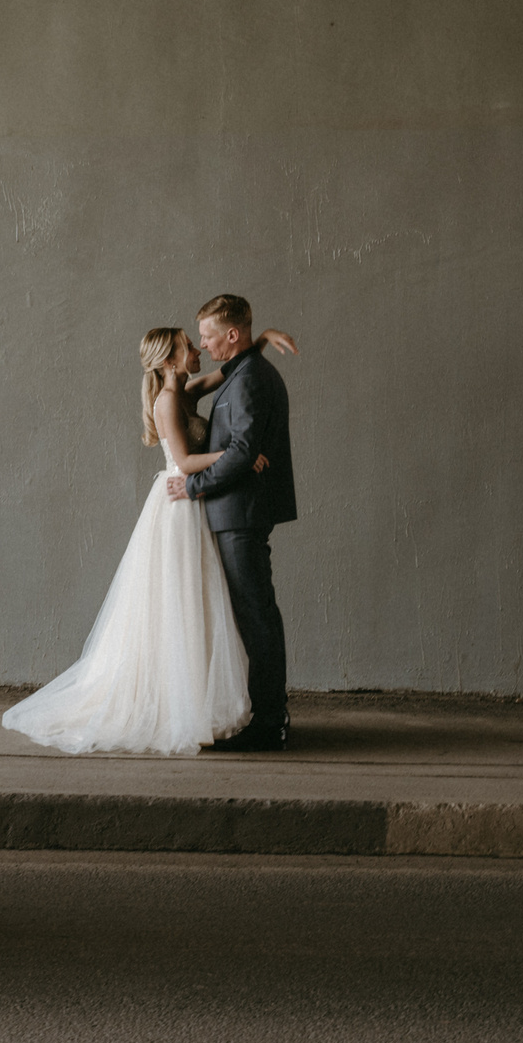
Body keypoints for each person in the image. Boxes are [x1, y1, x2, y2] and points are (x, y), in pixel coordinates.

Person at [2, 321, 297, 756]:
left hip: (193, 503)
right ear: (168, 360)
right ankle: (176, 708)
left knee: (198, 605)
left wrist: (263, 338)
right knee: (177, 605)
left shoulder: (186, 390)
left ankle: (199, 704)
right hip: (178, 503)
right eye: (187, 346)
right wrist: (238, 456)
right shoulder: (166, 400)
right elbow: (183, 459)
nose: (197, 349)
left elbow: (230, 369)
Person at [165, 293, 296, 752]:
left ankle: (269, 723)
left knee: (256, 615)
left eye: (208, 336)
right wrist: (259, 341)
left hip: (241, 515)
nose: (203, 344)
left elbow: (242, 452)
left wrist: (193, 487)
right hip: (234, 513)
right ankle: (262, 714)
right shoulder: (242, 372)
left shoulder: (248, 382)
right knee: (249, 614)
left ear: (231, 335)